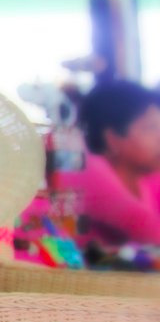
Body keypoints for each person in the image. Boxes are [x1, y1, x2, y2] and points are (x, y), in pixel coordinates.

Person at [55, 79, 160, 246]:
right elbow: (150, 233)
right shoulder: (90, 171)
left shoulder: (143, 175)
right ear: (113, 138)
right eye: (150, 128)